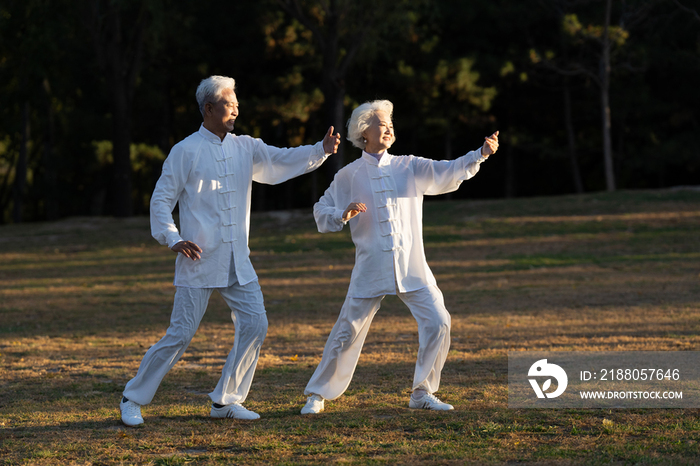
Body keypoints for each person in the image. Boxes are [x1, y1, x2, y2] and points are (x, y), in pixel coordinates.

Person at [119, 75, 341, 426]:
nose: (236, 108)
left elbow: (280, 161)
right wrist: (171, 236)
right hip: (198, 258)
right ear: (208, 108)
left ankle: (226, 400)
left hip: (238, 259)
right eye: (228, 103)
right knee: (180, 334)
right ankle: (132, 398)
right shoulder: (185, 150)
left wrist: (320, 151)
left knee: (255, 323)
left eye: (237, 102)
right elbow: (162, 198)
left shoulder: (246, 146)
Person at [300, 100, 499, 414]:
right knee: (346, 332)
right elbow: (320, 211)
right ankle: (317, 394)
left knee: (438, 321)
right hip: (370, 267)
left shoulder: (409, 165)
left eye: (390, 122)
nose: (389, 127)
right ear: (364, 131)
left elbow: (447, 170)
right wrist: (342, 214)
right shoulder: (349, 175)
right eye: (381, 122)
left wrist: (480, 155)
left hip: (412, 266)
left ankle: (422, 393)